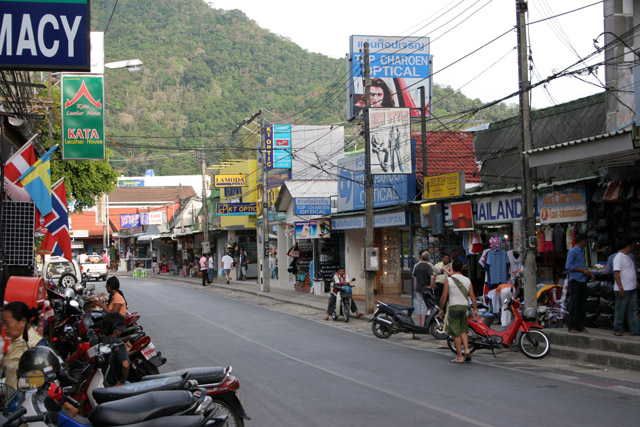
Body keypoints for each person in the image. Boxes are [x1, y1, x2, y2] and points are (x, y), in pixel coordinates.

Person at [438, 260, 479, 364]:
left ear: (452, 268)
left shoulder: (449, 280)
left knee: (456, 333)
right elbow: (472, 295)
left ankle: (460, 357)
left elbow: (444, 296)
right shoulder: (467, 280)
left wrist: (441, 309)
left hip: (454, 308)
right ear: (461, 268)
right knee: (463, 331)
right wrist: (475, 309)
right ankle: (467, 350)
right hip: (465, 308)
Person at [1, 301, 46, 388]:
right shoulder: (15, 340)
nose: (4, 327)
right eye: (3, 324)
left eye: (7, 323)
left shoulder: (36, 346)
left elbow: (42, 380)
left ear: (22, 321)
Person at [565, 233, 594, 334]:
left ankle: (580, 325)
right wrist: (582, 270)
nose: (586, 242)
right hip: (575, 280)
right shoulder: (573, 251)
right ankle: (572, 326)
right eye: (585, 241)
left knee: (582, 304)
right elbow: (569, 266)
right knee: (574, 304)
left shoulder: (582, 251)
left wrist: (589, 273)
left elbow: (582, 265)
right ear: (581, 241)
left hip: (582, 280)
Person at [612, 239, 640, 336]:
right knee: (620, 310)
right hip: (624, 288)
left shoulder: (629, 257)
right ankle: (618, 329)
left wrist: (635, 282)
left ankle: (635, 329)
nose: (633, 247)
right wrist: (620, 287)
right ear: (629, 246)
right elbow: (616, 273)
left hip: (631, 288)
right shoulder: (618, 257)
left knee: (633, 310)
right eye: (632, 246)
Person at [100, 312, 130, 386]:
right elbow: (125, 365)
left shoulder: (97, 340)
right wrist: (122, 382)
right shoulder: (118, 343)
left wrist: (125, 351)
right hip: (111, 384)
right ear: (117, 328)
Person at [413, 252, 434, 329]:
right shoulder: (428, 266)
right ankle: (423, 324)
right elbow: (432, 277)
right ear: (428, 258)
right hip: (426, 289)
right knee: (424, 306)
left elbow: (415, 279)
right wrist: (431, 286)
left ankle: (419, 323)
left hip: (418, 288)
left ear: (421, 257)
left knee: (418, 305)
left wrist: (415, 290)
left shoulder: (417, 266)